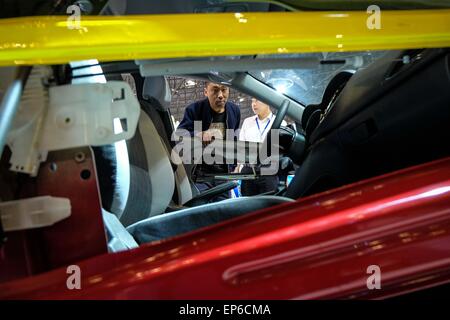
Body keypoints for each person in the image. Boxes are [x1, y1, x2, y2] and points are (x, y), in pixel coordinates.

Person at [177, 81, 241, 200]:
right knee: (201, 211)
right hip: (200, 175)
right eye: (215, 90)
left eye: (224, 90)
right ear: (206, 92)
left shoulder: (234, 111)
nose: (220, 95)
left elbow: (234, 139)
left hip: (223, 175)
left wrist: (233, 166)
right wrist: (198, 134)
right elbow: (179, 135)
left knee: (223, 212)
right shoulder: (194, 110)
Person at [238, 98, 285, 196]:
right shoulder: (247, 122)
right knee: (247, 206)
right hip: (249, 170)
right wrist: (239, 167)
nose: (254, 104)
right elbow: (241, 147)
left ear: (268, 102)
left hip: (269, 171)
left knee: (269, 205)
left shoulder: (280, 123)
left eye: (257, 101)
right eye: (252, 101)